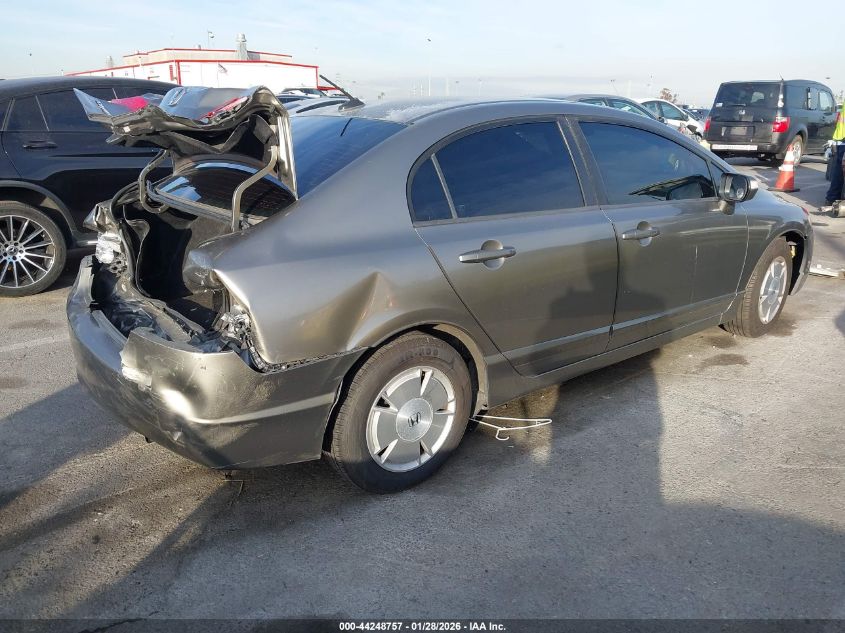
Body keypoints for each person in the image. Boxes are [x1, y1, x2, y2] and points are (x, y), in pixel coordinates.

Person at [824, 101, 845, 206]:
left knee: (839, 169)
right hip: (842, 139)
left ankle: (831, 198)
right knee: (840, 170)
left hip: (841, 138)